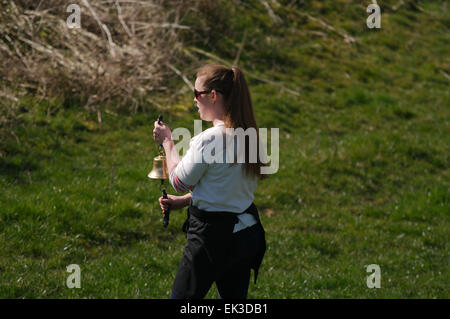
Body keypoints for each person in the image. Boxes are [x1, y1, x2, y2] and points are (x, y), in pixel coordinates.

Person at [152, 64, 267, 299]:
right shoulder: (251, 135)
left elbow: (178, 180)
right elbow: (225, 187)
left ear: (212, 96)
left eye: (196, 94)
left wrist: (167, 143)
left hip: (212, 239)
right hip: (245, 235)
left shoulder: (209, 140)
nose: (194, 100)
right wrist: (184, 201)